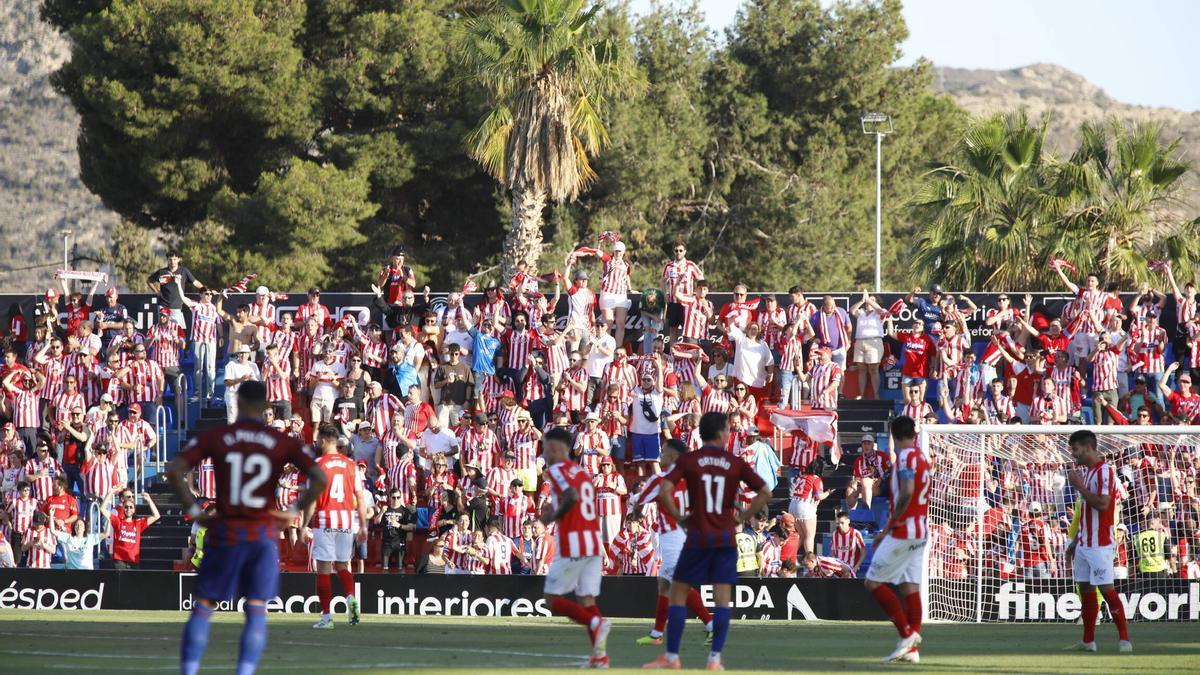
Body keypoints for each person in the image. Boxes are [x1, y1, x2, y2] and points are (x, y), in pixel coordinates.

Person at [166, 380, 326, 675]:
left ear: (237, 404)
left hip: (225, 532)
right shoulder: (282, 441)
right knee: (255, 611)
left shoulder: (218, 435)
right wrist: (290, 511)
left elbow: (175, 469)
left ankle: (188, 671)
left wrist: (194, 511)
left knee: (203, 608)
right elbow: (319, 476)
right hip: (262, 536)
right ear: (267, 407)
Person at [645, 412, 770, 670]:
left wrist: (680, 517)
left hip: (696, 535)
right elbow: (765, 491)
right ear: (722, 432)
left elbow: (664, 489)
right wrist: (742, 517)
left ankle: (672, 658)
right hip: (724, 536)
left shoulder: (690, 460)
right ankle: (715, 659)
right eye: (727, 430)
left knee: (677, 593)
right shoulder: (734, 462)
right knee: (722, 599)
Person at [539, 426, 612, 669]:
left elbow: (570, 496)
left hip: (573, 541)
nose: (544, 452)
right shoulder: (581, 472)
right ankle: (601, 657)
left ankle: (596, 625)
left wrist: (553, 516)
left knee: (552, 599)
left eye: (546, 446)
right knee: (587, 601)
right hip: (592, 542)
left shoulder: (556, 469)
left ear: (557, 448)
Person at [631, 438, 715, 646]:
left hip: (672, 537)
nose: (660, 454)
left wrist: (635, 512)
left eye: (665, 452)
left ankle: (712, 624)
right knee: (666, 585)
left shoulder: (661, 479)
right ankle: (657, 633)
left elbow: (640, 500)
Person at [864, 415, 930, 664]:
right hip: (921, 530)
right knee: (909, 587)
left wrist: (888, 527)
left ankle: (906, 635)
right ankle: (912, 651)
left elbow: (908, 490)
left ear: (893, 436)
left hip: (903, 529)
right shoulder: (923, 457)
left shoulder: (904, 457)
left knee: (872, 582)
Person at [1064, 428, 1131, 652]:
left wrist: (1079, 486)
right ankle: (1088, 641)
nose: (1073, 454)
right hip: (1084, 542)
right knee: (1085, 590)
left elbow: (1102, 504)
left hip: (1100, 544)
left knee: (1107, 590)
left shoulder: (1104, 471)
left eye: (1075, 449)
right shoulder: (1089, 472)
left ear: (1087, 447)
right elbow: (1085, 512)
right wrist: (1075, 542)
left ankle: (1125, 641)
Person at [305, 424, 371, 629]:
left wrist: (303, 525)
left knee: (323, 570)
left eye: (317, 440)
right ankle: (351, 597)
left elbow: (312, 500)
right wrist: (363, 526)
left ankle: (327, 618)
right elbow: (360, 497)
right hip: (347, 520)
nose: (316, 443)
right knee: (343, 565)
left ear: (324, 441)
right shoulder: (351, 465)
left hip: (325, 520)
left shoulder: (318, 464)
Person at [108, 489, 160, 569]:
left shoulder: (138, 523)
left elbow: (156, 516)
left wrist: (149, 500)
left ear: (134, 509)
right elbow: (102, 509)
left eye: (132, 496)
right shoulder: (118, 520)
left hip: (133, 560)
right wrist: (111, 492)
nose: (128, 509)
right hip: (119, 560)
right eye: (129, 497)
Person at [223, 345, 261, 424]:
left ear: (249, 354)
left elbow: (258, 384)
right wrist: (240, 380)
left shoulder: (253, 366)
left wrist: (252, 380)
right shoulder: (231, 365)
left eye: (246, 353)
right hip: (233, 398)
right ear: (238, 354)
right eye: (241, 353)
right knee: (232, 423)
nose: (243, 355)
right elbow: (226, 382)